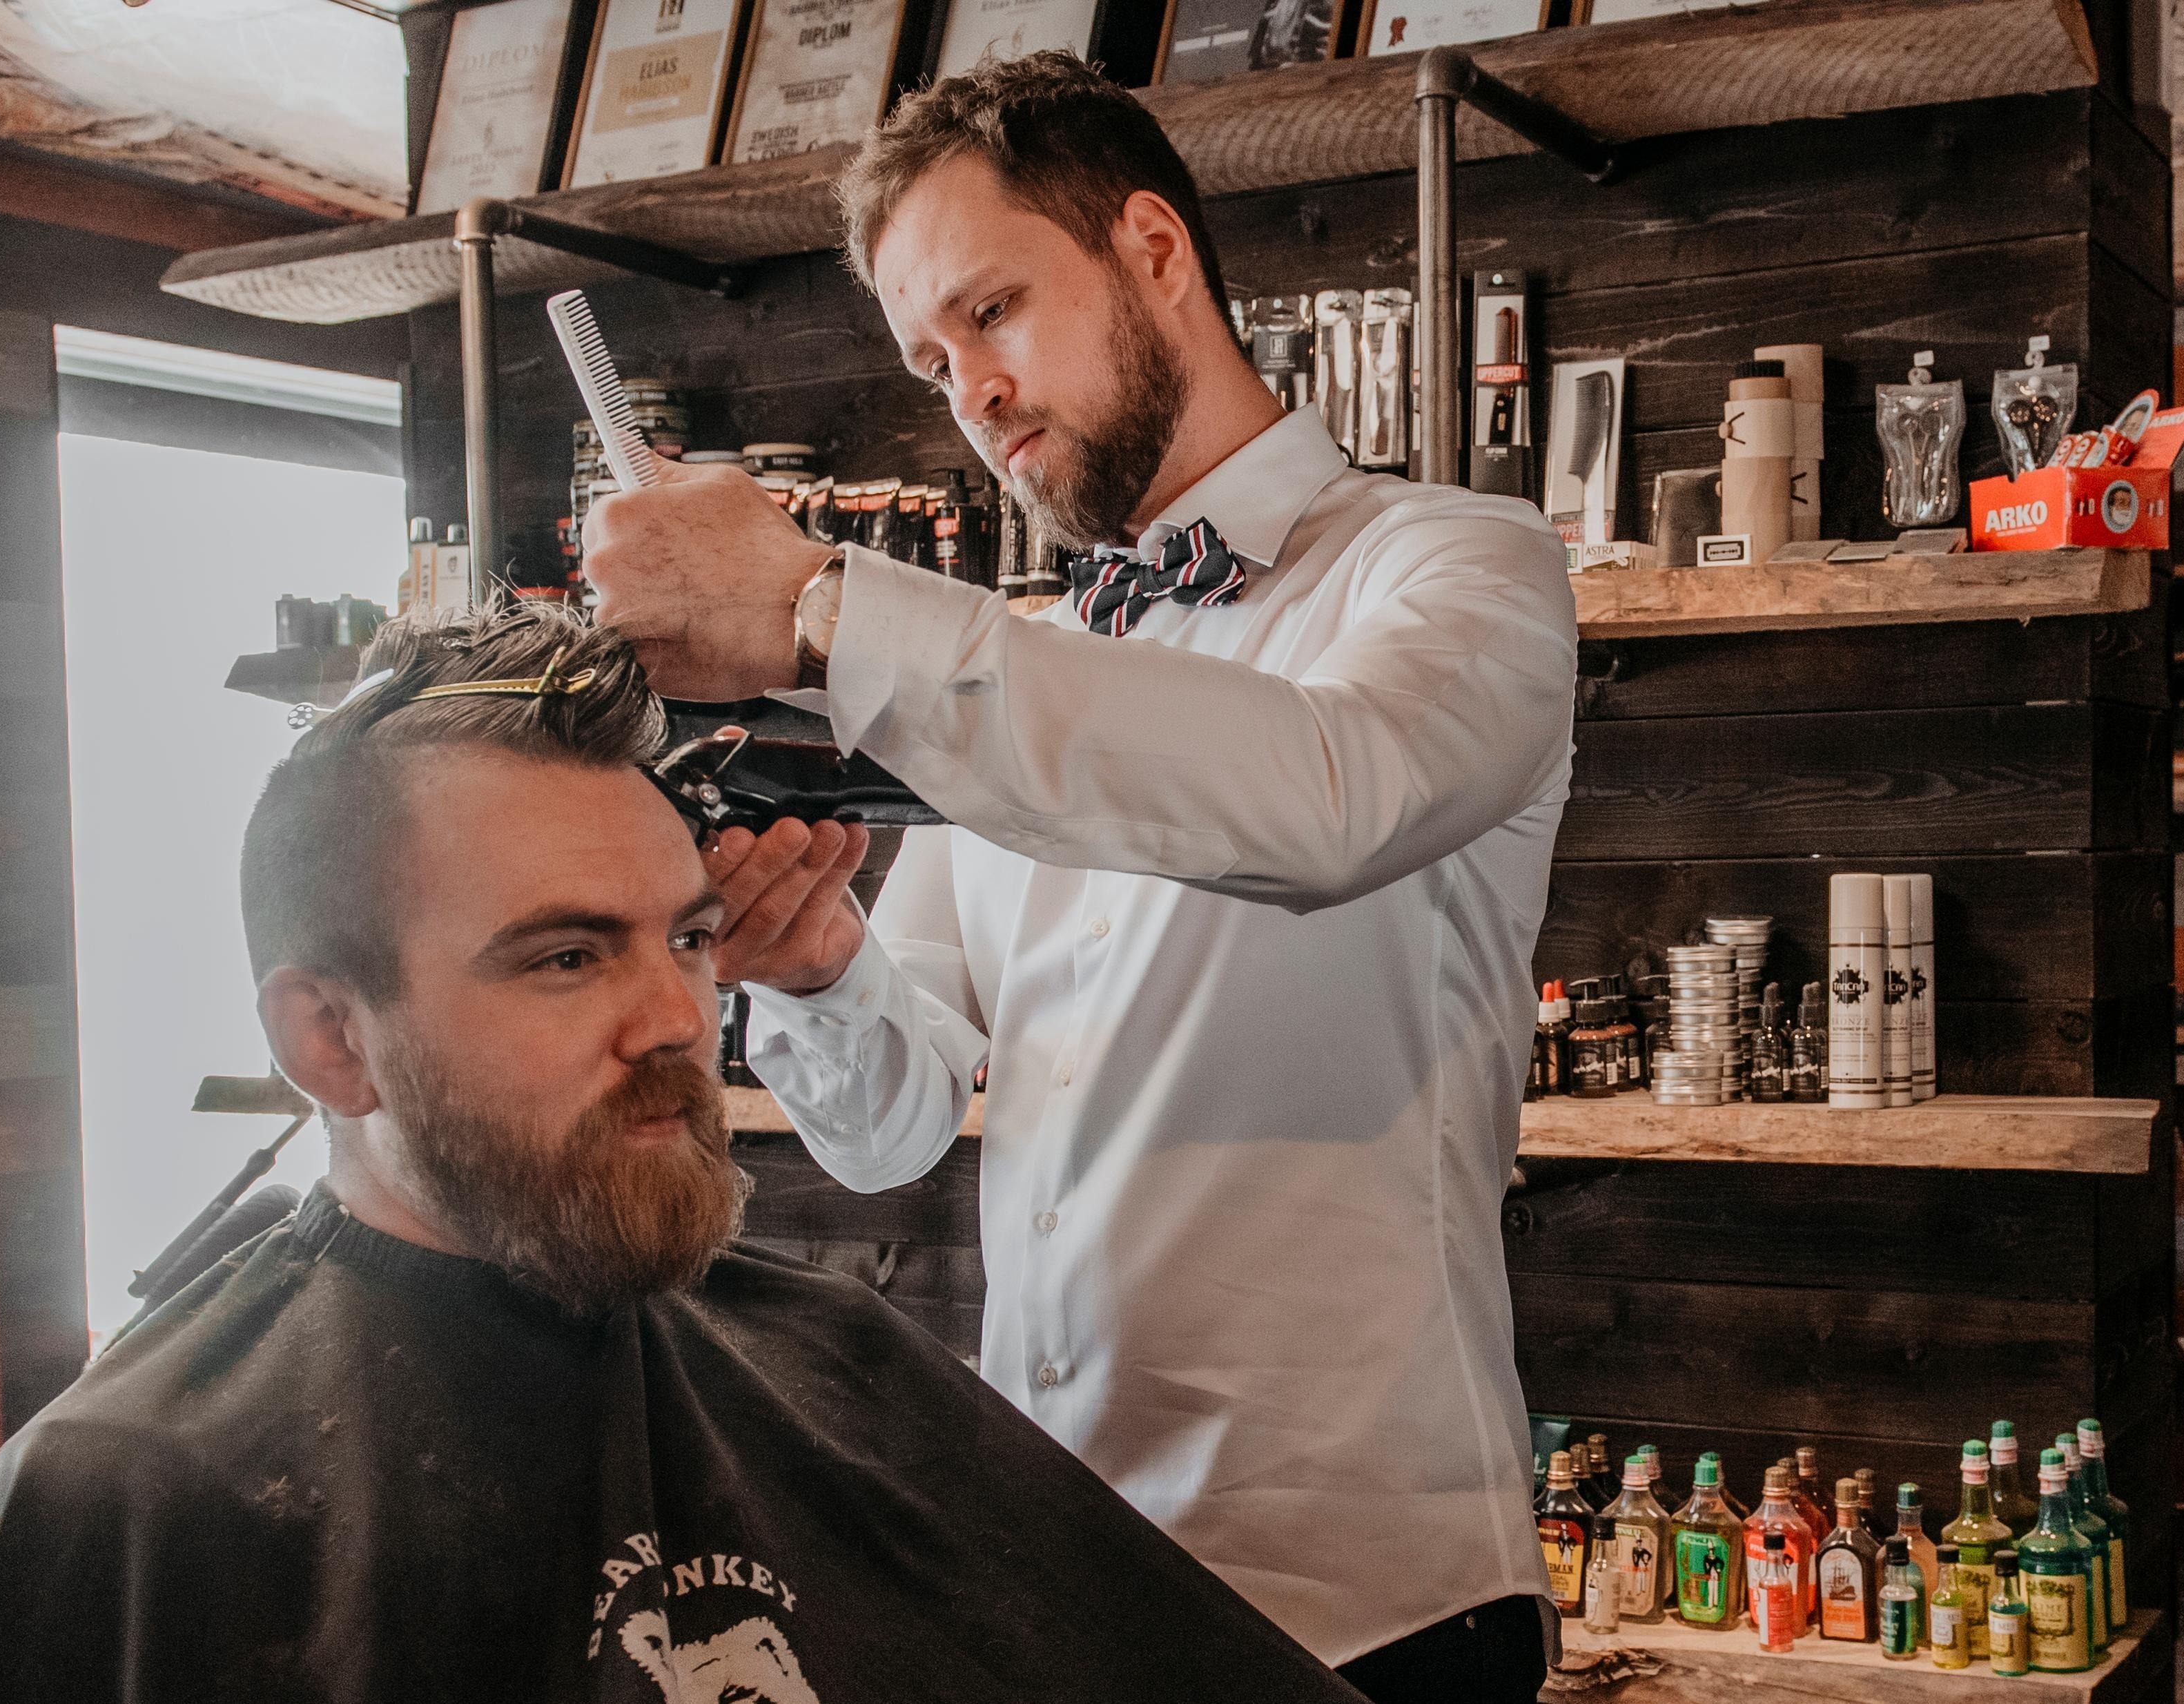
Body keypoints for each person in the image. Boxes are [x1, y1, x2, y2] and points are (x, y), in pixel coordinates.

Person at [579, 52, 1577, 1704]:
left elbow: (1332, 796)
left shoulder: (1456, 564)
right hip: (1053, 1576)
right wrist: (828, 970)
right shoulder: (1029, 675)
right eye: (927, 353)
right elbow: (894, 1122)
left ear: (1152, 251)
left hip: (1360, 1603)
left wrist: (824, 603)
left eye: (991, 310)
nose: (965, 388)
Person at [0, 608, 1366, 1704]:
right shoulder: (126, 1499)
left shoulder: (835, 1366)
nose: (675, 1018)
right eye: (565, 957)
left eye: (687, 939)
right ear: (330, 1039)